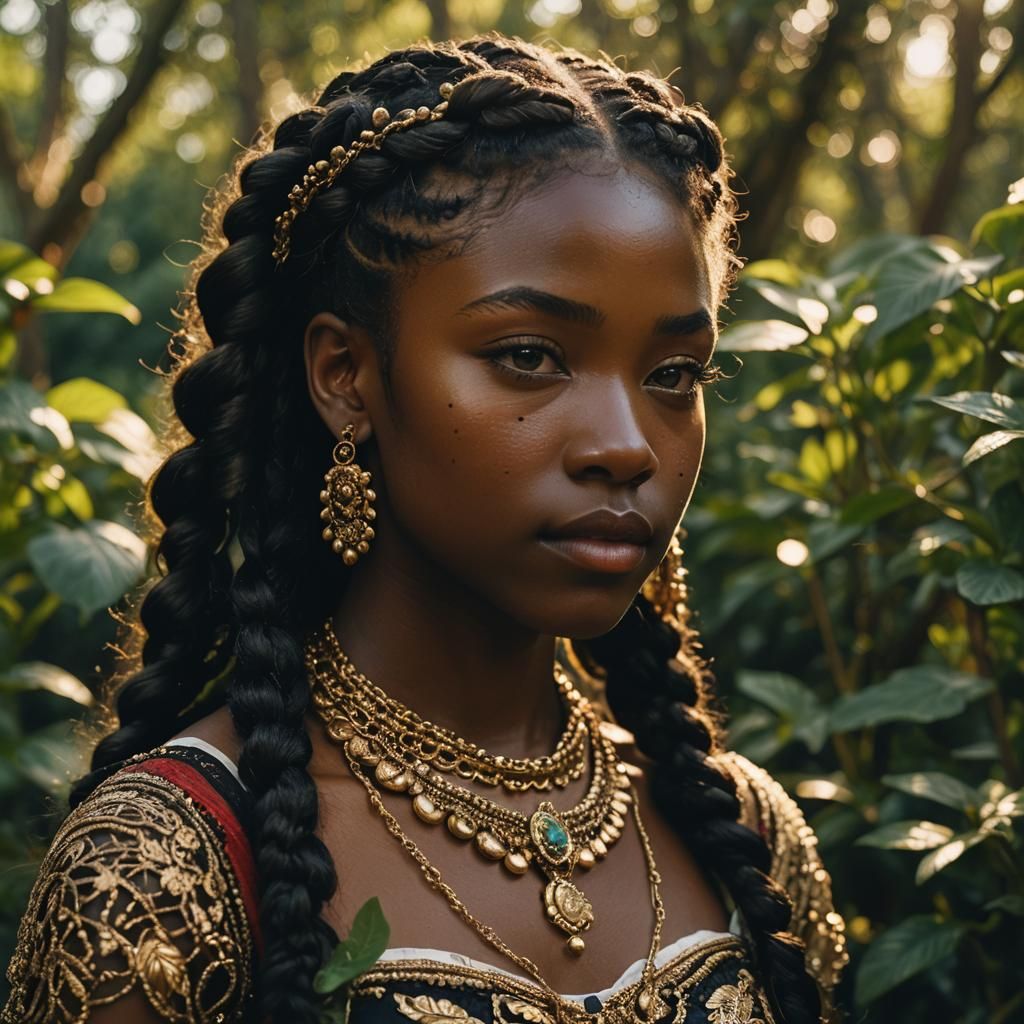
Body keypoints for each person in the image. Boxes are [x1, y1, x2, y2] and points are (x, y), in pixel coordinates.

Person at [1, 32, 848, 1024]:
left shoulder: (747, 839)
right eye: (529, 356)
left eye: (673, 375)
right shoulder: (161, 873)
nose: (626, 445)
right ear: (345, 376)